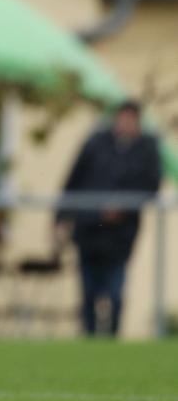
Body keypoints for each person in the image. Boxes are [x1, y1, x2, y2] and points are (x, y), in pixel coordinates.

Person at [55, 100, 162, 336]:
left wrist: (122, 207)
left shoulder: (147, 149)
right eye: (122, 118)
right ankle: (89, 339)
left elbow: (151, 187)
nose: (126, 124)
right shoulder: (95, 143)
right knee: (88, 293)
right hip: (89, 229)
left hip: (120, 235)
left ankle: (112, 337)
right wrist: (61, 218)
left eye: (131, 120)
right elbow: (73, 182)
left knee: (114, 292)